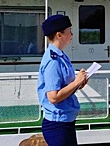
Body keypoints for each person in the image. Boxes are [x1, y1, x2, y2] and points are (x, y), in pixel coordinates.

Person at [37, 14, 88, 146]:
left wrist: (79, 83)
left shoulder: (60, 56)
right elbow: (53, 97)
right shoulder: (53, 60)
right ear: (59, 35)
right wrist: (76, 82)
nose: (72, 35)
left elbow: (64, 86)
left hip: (65, 121)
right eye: (69, 31)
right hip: (57, 124)